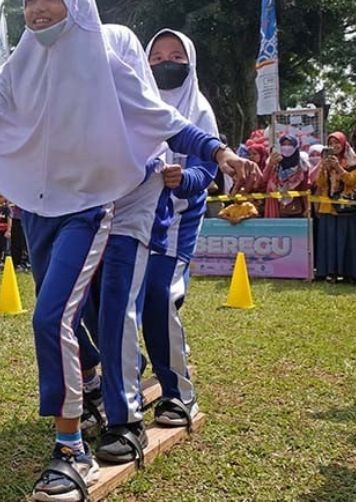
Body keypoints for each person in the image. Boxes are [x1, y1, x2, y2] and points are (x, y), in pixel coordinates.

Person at [0, 0, 257, 498]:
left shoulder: (105, 63)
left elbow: (163, 121)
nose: (39, 8)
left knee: (61, 314)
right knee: (64, 312)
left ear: (78, 5)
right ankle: (88, 381)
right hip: (39, 207)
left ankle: (74, 448)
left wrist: (218, 151)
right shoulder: (18, 66)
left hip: (94, 206)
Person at [140, 28, 219, 428]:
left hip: (178, 219)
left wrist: (181, 180)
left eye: (174, 56)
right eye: (155, 58)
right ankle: (127, 364)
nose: (164, 63)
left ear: (189, 62)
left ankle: (178, 394)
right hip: (133, 214)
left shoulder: (199, 108)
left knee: (158, 296)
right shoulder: (135, 99)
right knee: (104, 293)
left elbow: (208, 168)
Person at [314, 132, 356, 282]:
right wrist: (324, 168)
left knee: (348, 241)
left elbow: (351, 181)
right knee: (329, 240)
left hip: (347, 207)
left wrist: (338, 168)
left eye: (337, 143)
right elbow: (320, 184)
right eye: (331, 143)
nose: (334, 146)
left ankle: (350, 273)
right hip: (328, 207)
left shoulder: (354, 161)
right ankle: (329, 272)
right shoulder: (325, 161)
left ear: (344, 144)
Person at [264, 135, 310, 218]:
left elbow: (305, 188)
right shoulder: (275, 164)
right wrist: (270, 164)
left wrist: (307, 207)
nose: (286, 147)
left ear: (295, 146)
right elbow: (264, 178)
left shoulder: (302, 165)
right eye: (284, 144)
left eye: (289, 144)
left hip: (295, 209)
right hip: (275, 206)